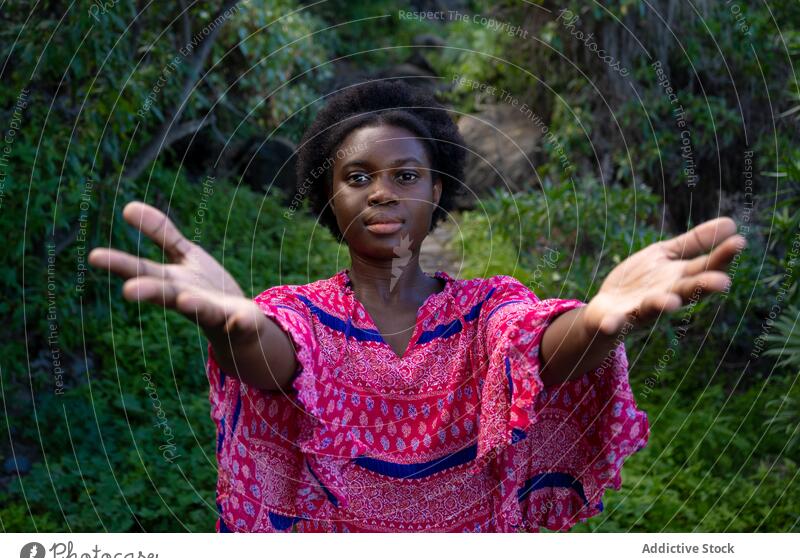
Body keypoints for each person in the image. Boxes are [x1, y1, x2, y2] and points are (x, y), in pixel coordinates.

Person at [88, 80, 746, 532]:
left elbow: (535, 342)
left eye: (406, 175)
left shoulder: (487, 308)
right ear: (329, 196)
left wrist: (601, 323)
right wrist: (232, 327)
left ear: (438, 190)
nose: (382, 193)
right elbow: (274, 352)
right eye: (358, 177)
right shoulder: (298, 312)